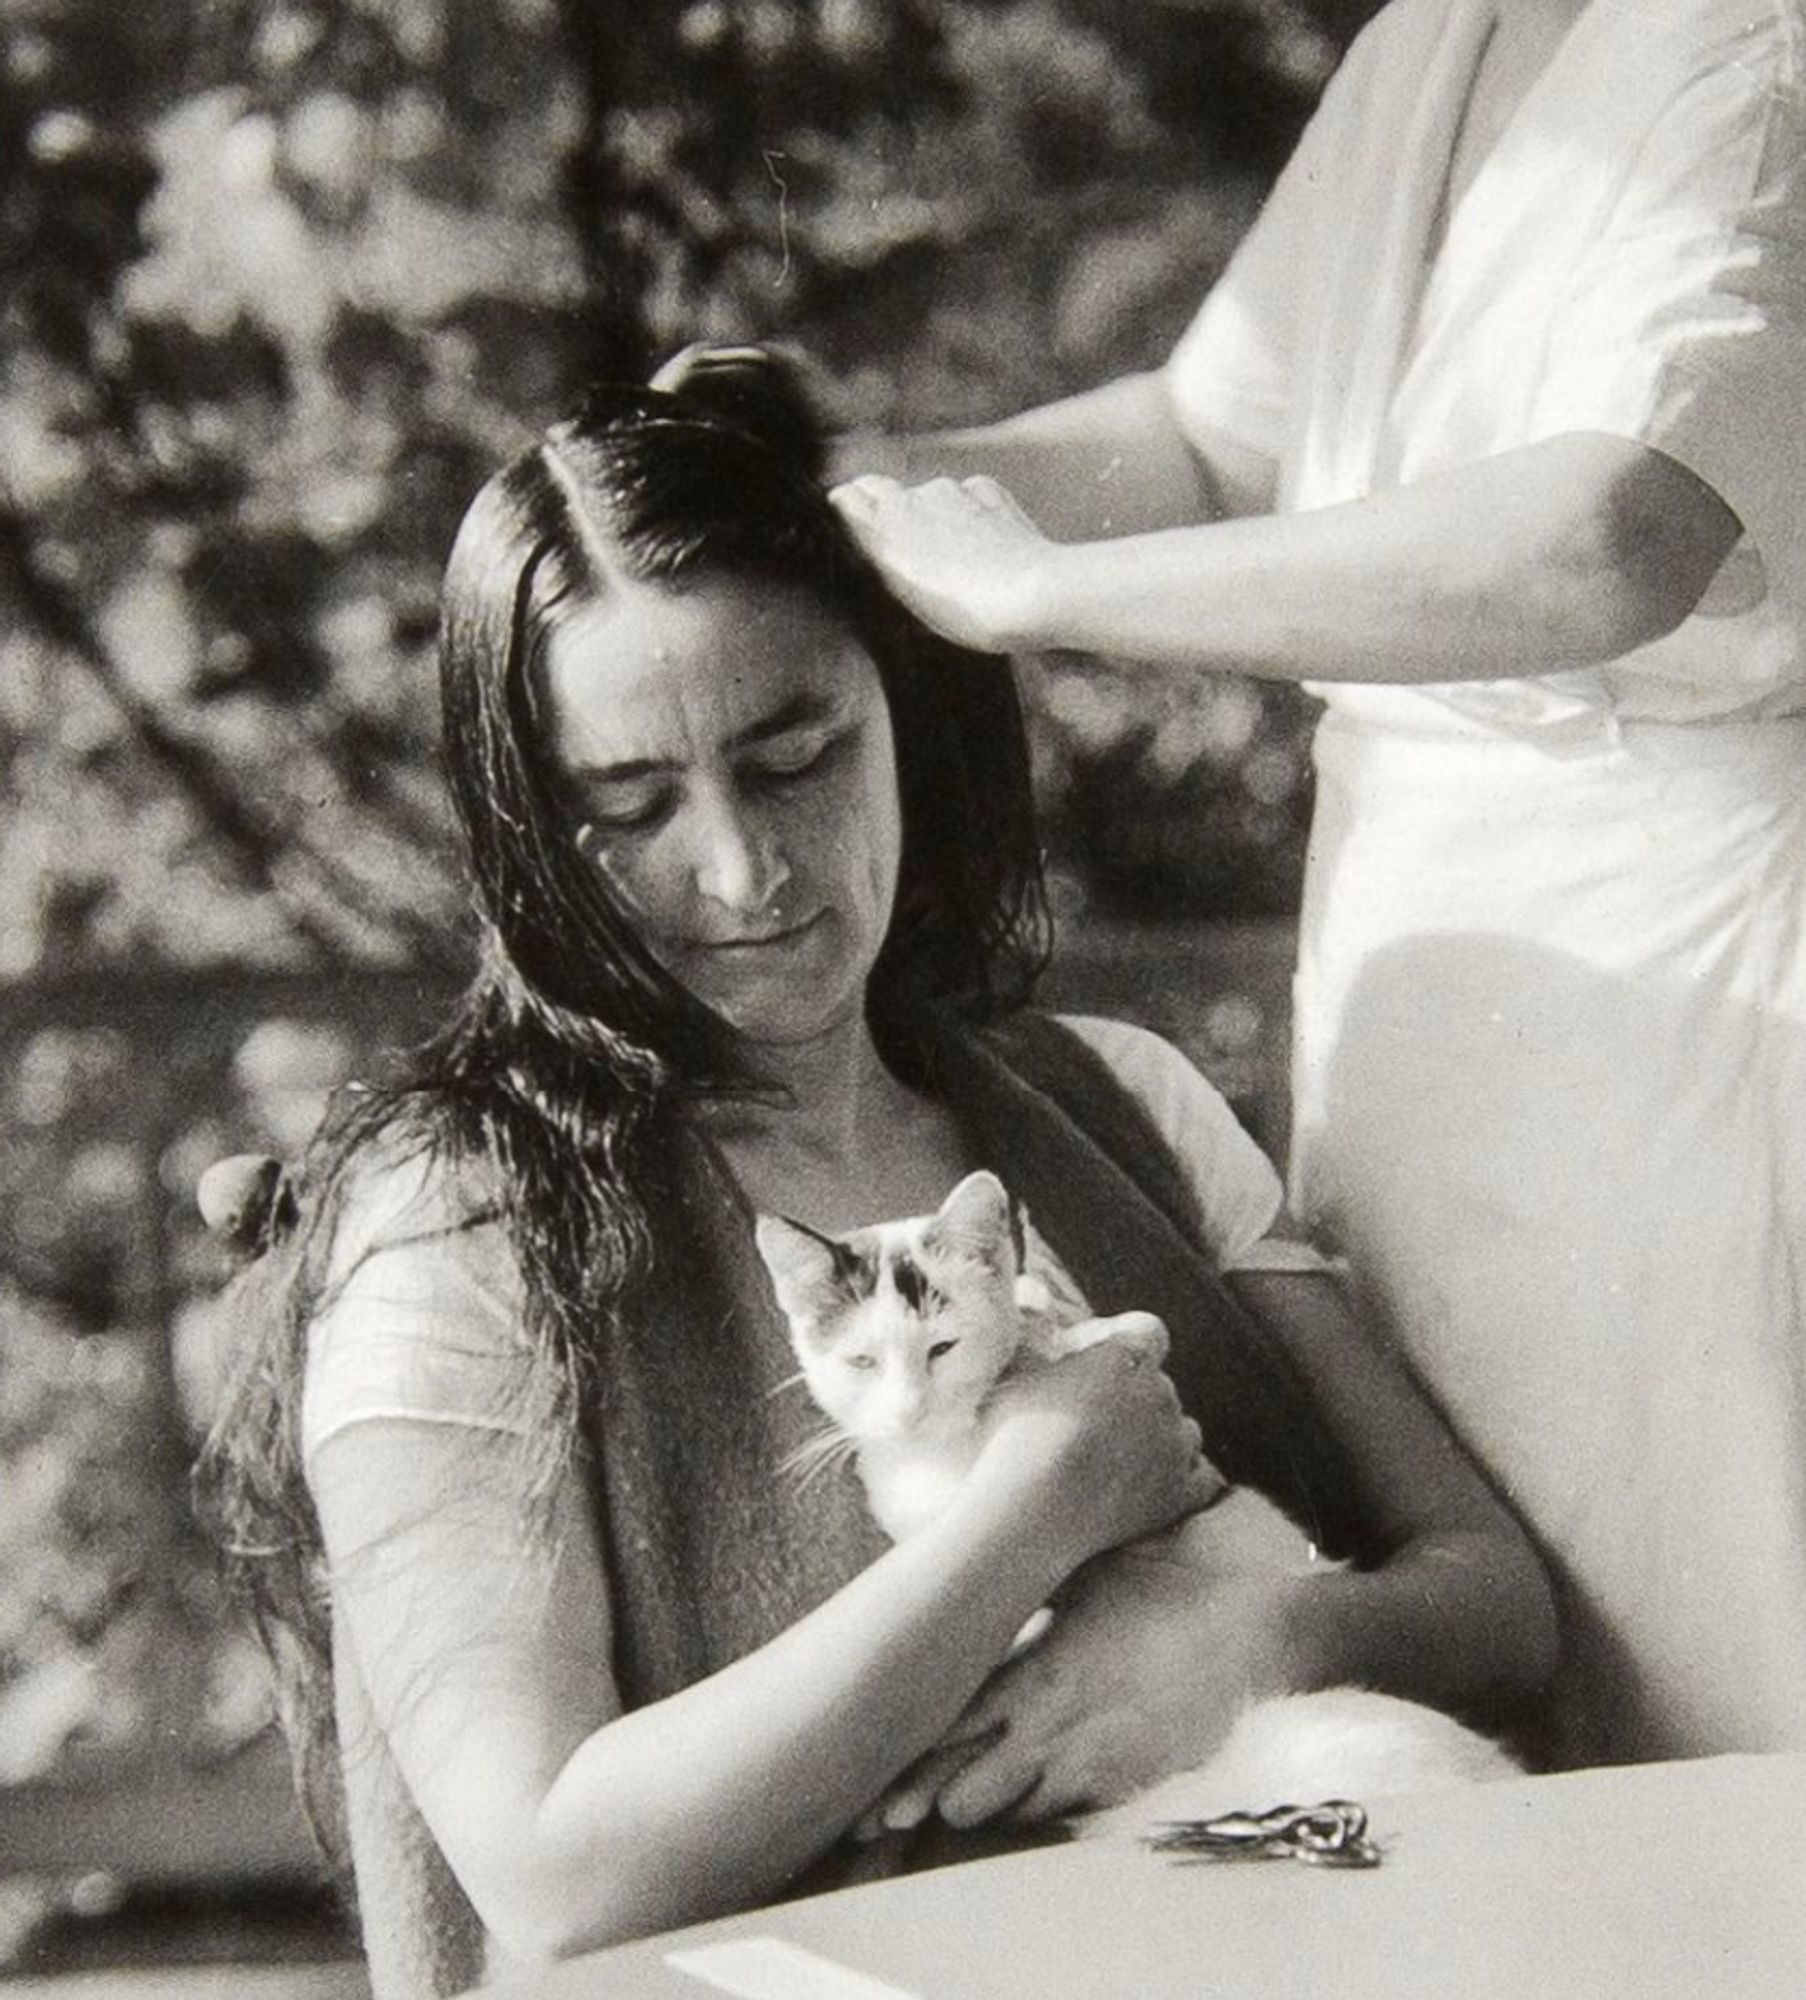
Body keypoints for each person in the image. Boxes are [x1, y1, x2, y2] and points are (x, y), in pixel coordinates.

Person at [196, 356, 1556, 2000]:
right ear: (531, 840)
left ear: (905, 713)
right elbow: (555, 1872)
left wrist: (1256, 1642)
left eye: (795, 757)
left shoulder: (1117, 1100)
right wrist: (1030, 1515)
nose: (741, 869)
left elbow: (1492, 1602)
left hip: (1212, 1926)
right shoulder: (461, 1216)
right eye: (629, 806)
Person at [825, 0, 1806, 1767]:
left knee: (1722, 1676)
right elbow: (1208, 440)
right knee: (1485, 1686)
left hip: (1693, 1014)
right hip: (1424, 1011)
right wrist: (866, 487)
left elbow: (1606, 540)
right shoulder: (1443, 35)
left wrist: (1039, 597)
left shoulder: (1755, 46)